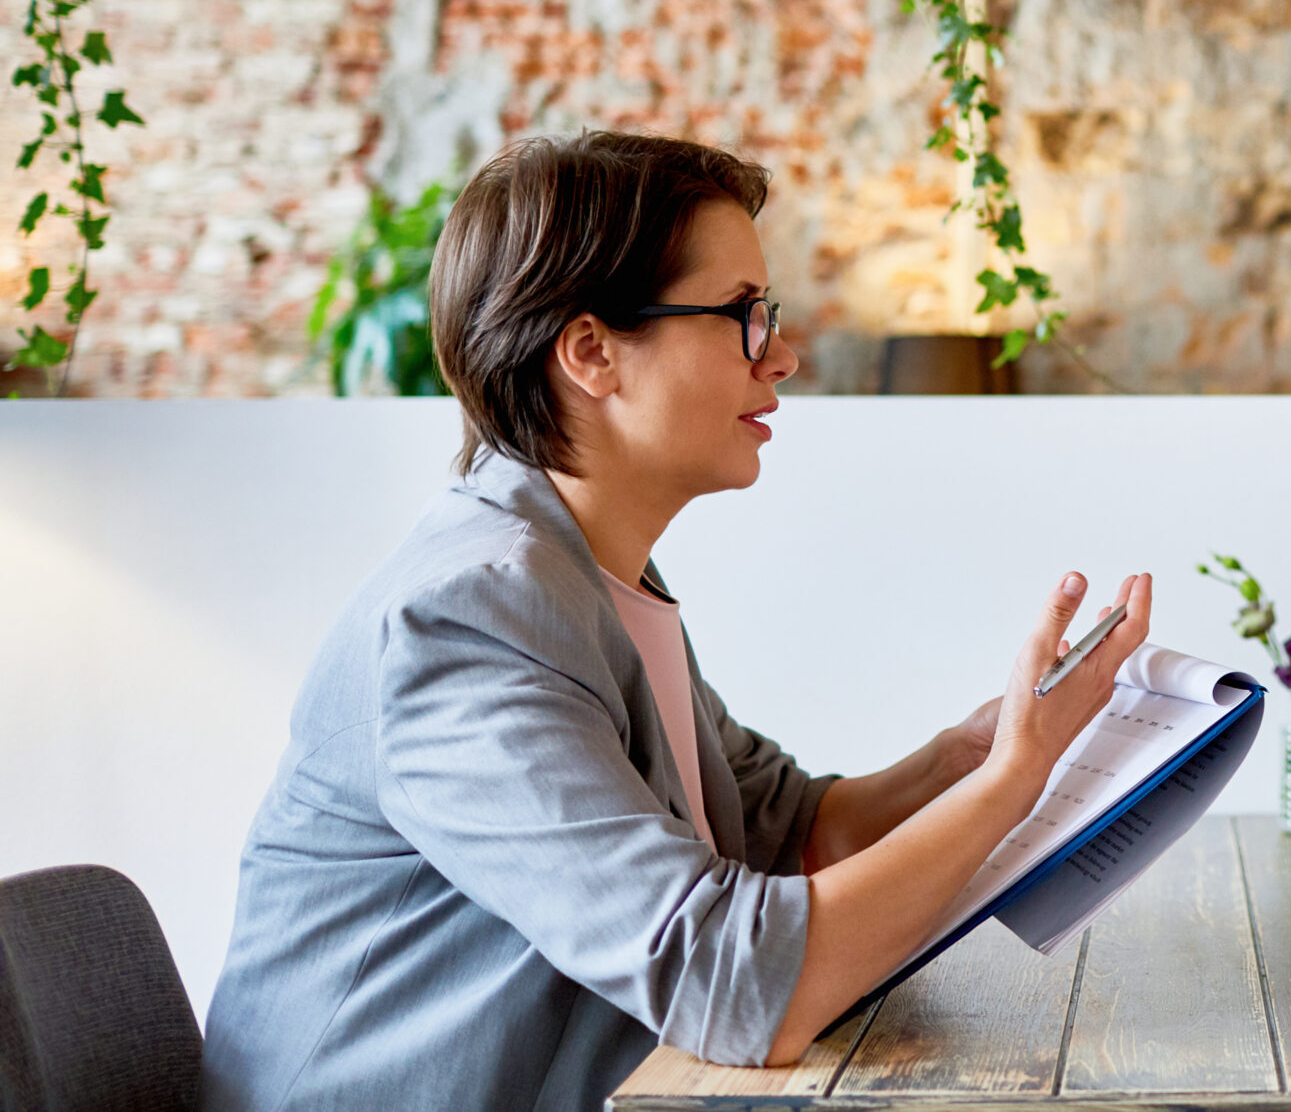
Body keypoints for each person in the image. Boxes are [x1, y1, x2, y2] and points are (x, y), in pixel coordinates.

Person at [202, 131, 1153, 1112]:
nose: (780, 354)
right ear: (591, 353)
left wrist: (967, 753)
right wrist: (1011, 785)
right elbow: (732, 987)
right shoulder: (467, 621)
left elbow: (789, 832)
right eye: (743, 315)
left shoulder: (594, 578)